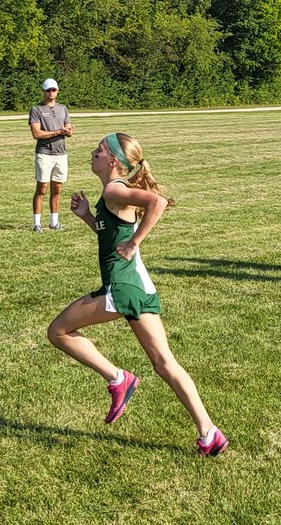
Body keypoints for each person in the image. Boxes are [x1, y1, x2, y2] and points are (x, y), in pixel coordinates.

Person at [47, 132, 229, 455]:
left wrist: (135, 243)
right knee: (164, 363)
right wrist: (88, 216)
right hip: (138, 287)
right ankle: (209, 433)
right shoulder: (110, 194)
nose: (93, 153)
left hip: (123, 288)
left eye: (99, 151)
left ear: (113, 161)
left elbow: (156, 203)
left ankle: (118, 378)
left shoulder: (116, 189)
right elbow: (111, 234)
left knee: (58, 331)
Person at [29, 78, 73, 232]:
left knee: (57, 189)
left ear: (58, 91)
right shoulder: (37, 109)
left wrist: (68, 131)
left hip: (61, 154)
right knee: (42, 188)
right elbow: (36, 133)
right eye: (48, 90)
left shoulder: (63, 109)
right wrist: (58, 132)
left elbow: (69, 131)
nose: (51, 92)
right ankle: (37, 223)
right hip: (45, 153)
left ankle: (54, 222)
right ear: (43, 91)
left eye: (53, 89)